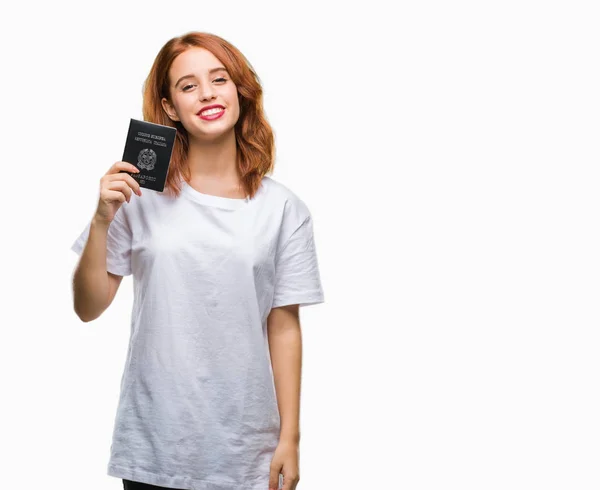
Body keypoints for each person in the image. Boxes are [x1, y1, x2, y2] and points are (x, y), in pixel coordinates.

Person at [70, 31, 325, 490]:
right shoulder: (138, 197)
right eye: (188, 86)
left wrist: (291, 437)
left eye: (219, 79)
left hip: (246, 450)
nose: (207, 93)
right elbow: (88, 307)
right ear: (170, 107)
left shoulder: (283, 209)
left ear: (239, 90)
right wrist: (101, 220)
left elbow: (283, 325)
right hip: (153, 445)